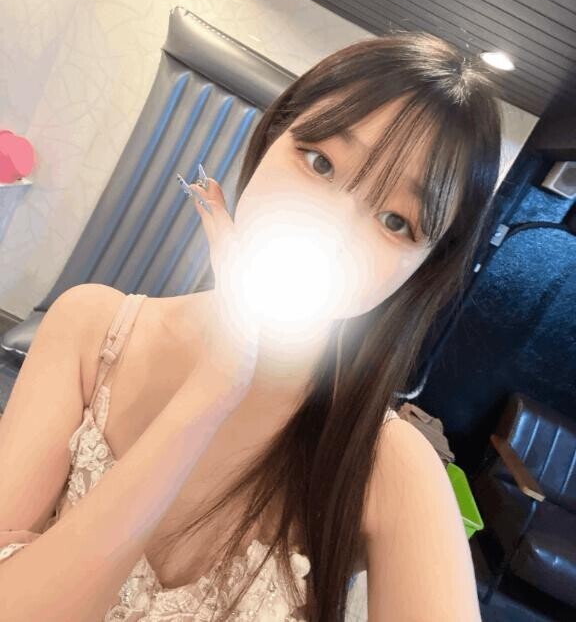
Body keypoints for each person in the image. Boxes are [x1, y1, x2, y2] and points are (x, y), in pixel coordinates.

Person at [0, 31, 501, 621]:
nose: (331, 229)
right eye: (320, 162)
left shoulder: (393, 470)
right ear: (270, 138)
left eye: (396, 221)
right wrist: (212, 390)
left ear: (423, 269)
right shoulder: (90, 329)